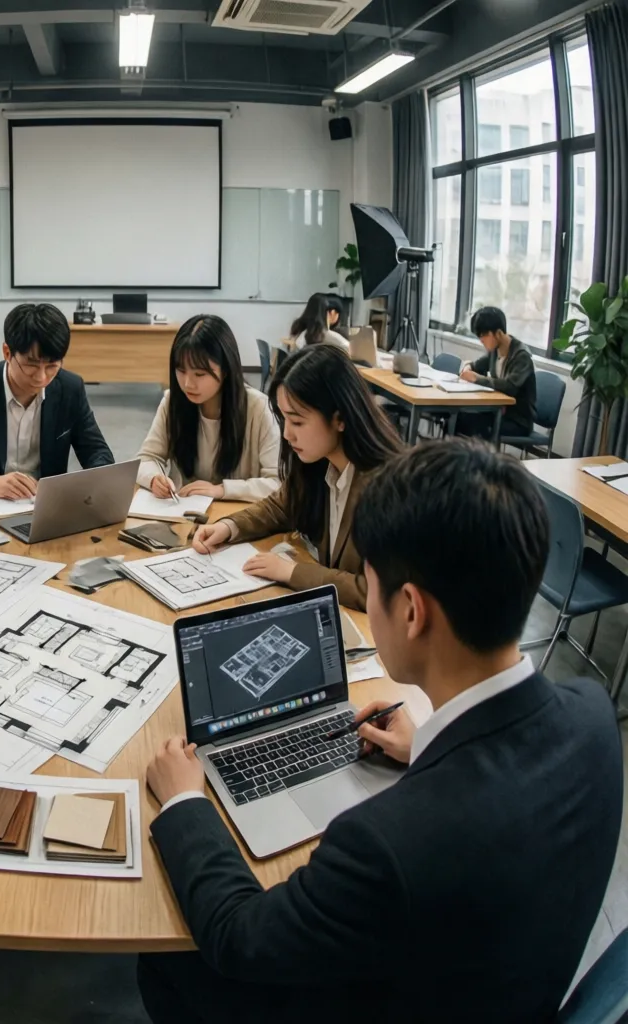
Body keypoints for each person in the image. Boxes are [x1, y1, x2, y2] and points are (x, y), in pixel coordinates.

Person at [139, 439, 622, 1023]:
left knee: (166, 959)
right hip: (498, 985)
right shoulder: (592, 716)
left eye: (368, 584)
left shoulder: (385, 843)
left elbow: (240, 937)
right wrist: (428, 748)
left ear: (411, 610)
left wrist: (186, 801)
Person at [191, 345, 403, 610]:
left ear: (340, 419)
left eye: (298, 422)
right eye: (284, 420)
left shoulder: (389, 487)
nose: (287, 435)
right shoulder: (321, 464)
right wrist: (228, 527)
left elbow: (374, 591)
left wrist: (291, 572)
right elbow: (281, 505)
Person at [0, 302, 114, 497]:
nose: (41, 378)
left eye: (52, 366)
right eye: (31, 365)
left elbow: (97, 452)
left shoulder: (70, 389)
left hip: (44, 507)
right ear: (7, 353)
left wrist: (91, 483)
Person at [136, 315, 280, 503]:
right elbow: (146, 458)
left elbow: (278, 483)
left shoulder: (258, 409)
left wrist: (222, 490)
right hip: (185, 515)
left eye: (199, 374)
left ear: (226, 370)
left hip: (238, 518)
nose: (188, 383)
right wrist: (154, 478)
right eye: (181, 371)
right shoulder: (173, 402)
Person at [456, 305, 537, 439]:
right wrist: (467, 367)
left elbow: (510, 387)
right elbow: (475, 366)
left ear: (498, 333)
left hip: (517, 421)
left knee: (472, 423)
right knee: (457, 417)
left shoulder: (521, 356)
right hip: (496, 412)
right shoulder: (495, 351)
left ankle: (478, 459)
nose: (481, 340)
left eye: (483, 336)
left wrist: (476, 378)